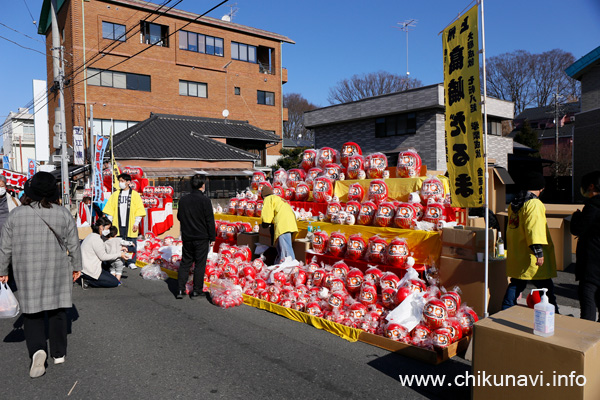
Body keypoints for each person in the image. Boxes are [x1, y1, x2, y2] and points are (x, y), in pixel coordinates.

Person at [0, 172, 82, 378]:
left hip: (27, 269)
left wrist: (2, 271)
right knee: (58, 310)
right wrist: (76, 267)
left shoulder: (17, 214)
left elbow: (5, 247)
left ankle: (37, 350)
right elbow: (74, 244)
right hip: (58, 268)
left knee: (32, 312)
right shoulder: (63, 213)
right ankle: (59, 353)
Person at [501, 171, 559, 312]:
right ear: (540, 188)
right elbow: (534, 229)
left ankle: (505, 310)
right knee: (545, 288)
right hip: (531, 254)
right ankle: (554, 315)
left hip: (518, 252)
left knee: (516, 284)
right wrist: (538, 251)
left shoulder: (515, 204)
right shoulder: (534, 204)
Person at [176, 175, 215, 299]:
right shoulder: (205, 201)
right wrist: (212, 237)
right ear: (202, 185)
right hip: (201, 237)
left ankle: (180, 290)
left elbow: (179, 217)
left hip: (187, 236)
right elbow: (210, 221)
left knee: (185, 263)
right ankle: (197, 290)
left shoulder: (183, 200)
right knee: (199, 264)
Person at [571, 171, 600, 321]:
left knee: (588, 303)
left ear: (591, 186)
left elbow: (578, 229)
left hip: (591, 263)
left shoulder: (593, 206)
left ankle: (587, 339)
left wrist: (576, 217)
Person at [102, 173, 145, 268]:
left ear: (128, 182)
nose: (120, 183)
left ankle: (131, 261)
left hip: (130, 223)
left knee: (131, 240)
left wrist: (136, 222)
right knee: (118, 241)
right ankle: (119, 260)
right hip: (118, 222)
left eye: (122, 181)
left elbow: (139, 210)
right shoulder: (115, 194)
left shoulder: (135, 195)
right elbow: (110, 209)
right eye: (119, 181)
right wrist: (110, 222)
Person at [80, 217, 126, 288]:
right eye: (107, 228)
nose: (108, 231)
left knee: (110, 276)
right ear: (101, 227)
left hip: (85, 267)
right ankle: (89, 281)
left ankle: (88, 278)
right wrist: (119, 254)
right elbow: (103, 256)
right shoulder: (97, 239)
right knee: (114, 282)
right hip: (90, 270)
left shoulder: (91, 236)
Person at [260, 185, 298, 264]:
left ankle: (289, 267)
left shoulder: (268, 199)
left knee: (286, 249)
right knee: (284, 247)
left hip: (283, 224)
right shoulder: (278, 198)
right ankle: (285, 265)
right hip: (290, 222)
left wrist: (265, 223)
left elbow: (267, 214)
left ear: (263, 196)